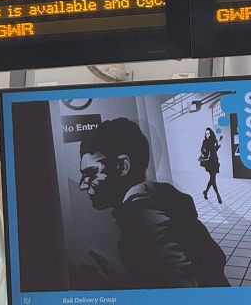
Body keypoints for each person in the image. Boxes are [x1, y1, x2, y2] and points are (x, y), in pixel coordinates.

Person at [78, 118, 228, 288]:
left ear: (122, 166)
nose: (82, 185)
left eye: (90, 173)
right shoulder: (163, 199)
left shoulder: (144, 223)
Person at [200, 127, 223, 205]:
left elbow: (215, 150)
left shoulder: (214, 140)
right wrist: (204, 150)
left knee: (212, 179)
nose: (207, 135)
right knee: (213, 179)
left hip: (215, 160)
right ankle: (218, 195)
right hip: (209, 162)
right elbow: (202, 150)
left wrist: (219, 144)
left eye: (208, 133)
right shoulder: (205, 141)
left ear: (211, 133)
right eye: (206, 134)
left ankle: (205, 192)